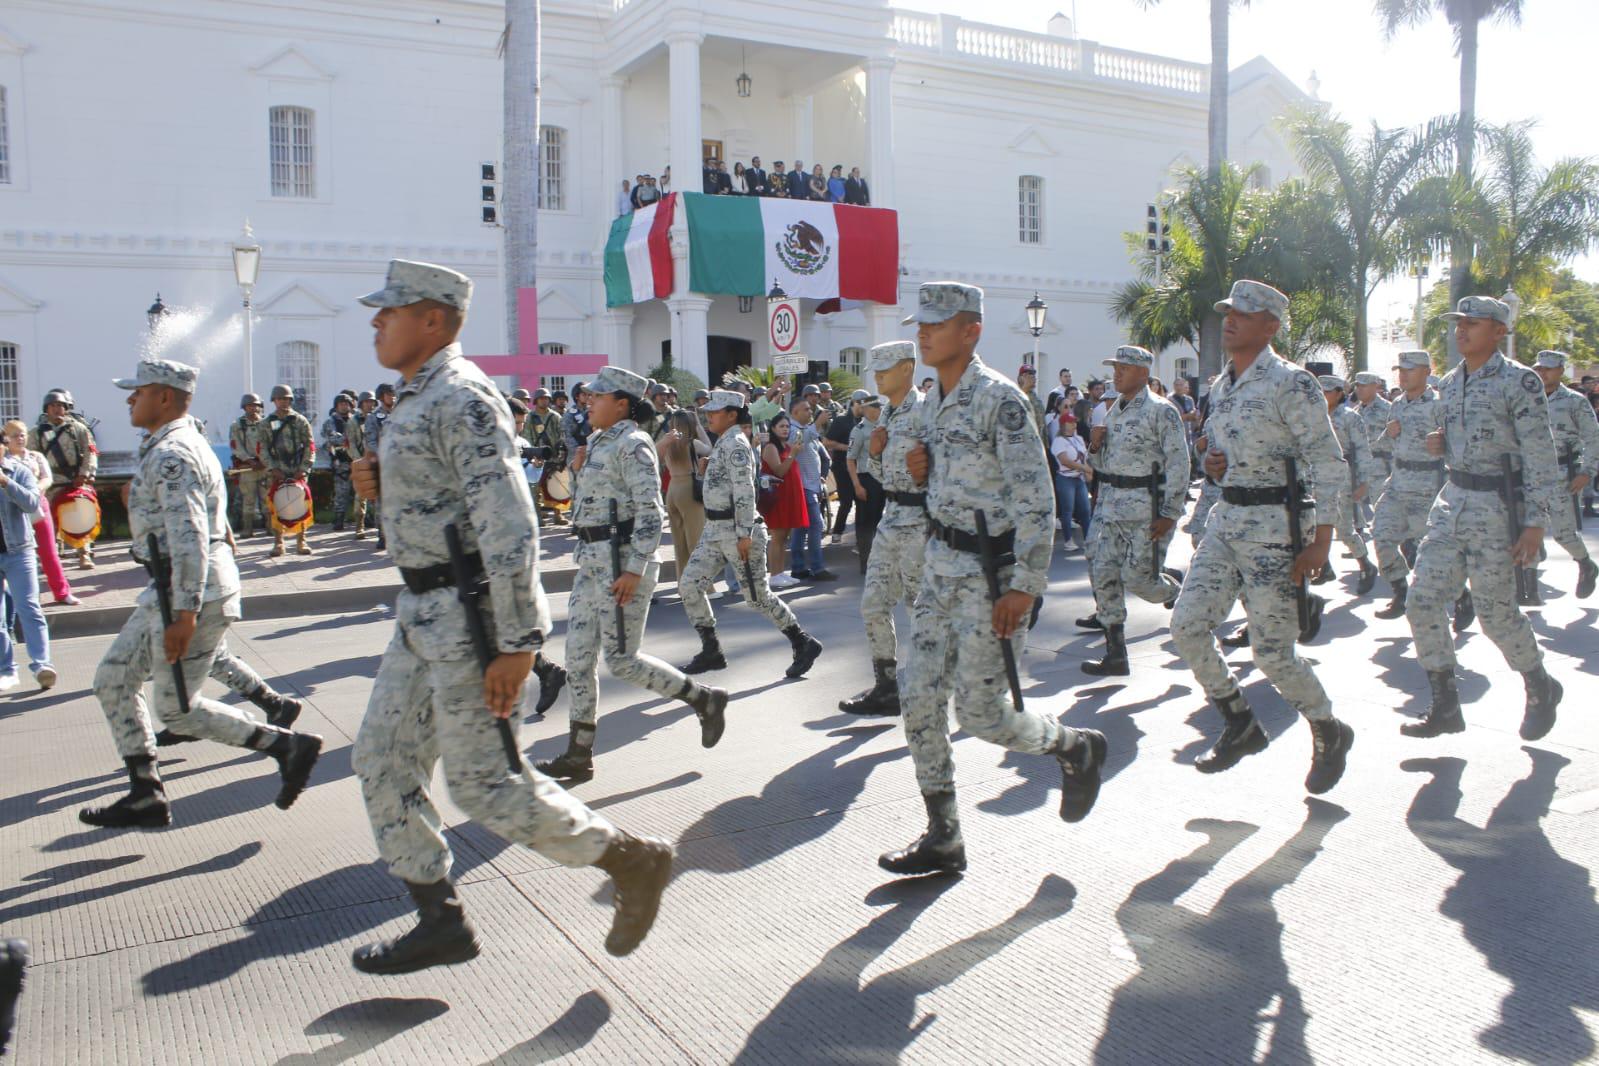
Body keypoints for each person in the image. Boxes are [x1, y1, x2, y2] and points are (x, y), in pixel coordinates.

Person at [346, 260, 672, 973]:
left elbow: (509, 522)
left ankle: (628, 860)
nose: (376, 321)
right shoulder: (415, 397)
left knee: (484, 783)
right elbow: (442, 503)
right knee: (380, 758)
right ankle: (439, 921)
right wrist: (376, 483)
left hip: (470, 617)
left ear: (432, 319)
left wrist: (520, 642)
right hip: (422, 611)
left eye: (389, 311)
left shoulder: (461, 396)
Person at [880, 282, 1107, 876]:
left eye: (938, 323)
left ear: (971, 330)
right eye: (921, 323)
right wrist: (918, 468)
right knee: (919, 699)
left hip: (991, 575)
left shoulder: (999, 400)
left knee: (980, 715)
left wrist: (1025, 586)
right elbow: (947, 485)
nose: (924, 333)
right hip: (939, 569)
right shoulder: (933, 400)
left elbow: (1038, 500)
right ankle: (944, 834)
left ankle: (1073, 746)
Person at [79, 359, 323, 829]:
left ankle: (287, 745)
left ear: (165, 397)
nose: (131, 399)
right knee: (112, 678)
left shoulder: (173, 452)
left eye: (139, 391)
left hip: (188, 590)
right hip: (174, 586)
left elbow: (190, 532)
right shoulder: (176, 445)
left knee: (176, 711)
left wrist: (185, 611)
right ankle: (145, 791)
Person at [1169, 280, 1354, 793]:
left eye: (1243, 314)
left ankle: (1327, 727)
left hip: (1277, 530)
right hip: (1227, 523)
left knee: (1273, 655)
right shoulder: (1222, 384)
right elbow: (1224, 460)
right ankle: (1239, 722)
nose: (1229, 320)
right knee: (1186, 627)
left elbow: (1327, 461)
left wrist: (1322, 540)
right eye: (1227, 311)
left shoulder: (1291, 383)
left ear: (1269, 326)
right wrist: (1213, 463)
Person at [534, 368, 729, 783]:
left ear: (621, 403)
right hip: (591, 562)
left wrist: (635, 570)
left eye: (598, 397)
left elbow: (649, 513)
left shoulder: (634, 443)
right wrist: (576, 468)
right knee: (577, 659)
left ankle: (704, 699)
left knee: (622, 661)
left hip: (623, 564)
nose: (589, 402)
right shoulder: (598, 442)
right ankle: (578, 753)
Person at [1401, 298, 1566, 741]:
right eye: (1458, 323)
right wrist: (1441, 444)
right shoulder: (1450, 383)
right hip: (1452, 501)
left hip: (1497, 508)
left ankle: (1540, 686)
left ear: (1498, 331)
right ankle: (1445, 705)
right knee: (1421, 600)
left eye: (1472, 324)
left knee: (1496, 616)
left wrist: (1535, 524)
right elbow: (1455, 436)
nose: (1461, 331)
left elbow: (1539, 455)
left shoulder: (1520, 381)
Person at [677, 390, 824, 680]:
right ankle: (711, 650)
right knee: (690, 585)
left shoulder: (735, 444)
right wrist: (709, 472)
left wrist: (744, 534)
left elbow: (745, 491)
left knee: (757, 598)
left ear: (732, 415)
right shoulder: (724, 442)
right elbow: (727, 486)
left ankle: (802, 641)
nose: (709, 416)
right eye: (707, 412)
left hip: (738, 531)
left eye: (715, 412)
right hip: (716, 530)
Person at [1077, 346, 1188, 675]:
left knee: (1139, 580)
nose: (1116, 374)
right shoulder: (1115, 411)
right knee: (1103, 573)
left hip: (1145, 509)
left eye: (1123, 368)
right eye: (1115, 368)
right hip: (1110, 505)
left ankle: (1179, 593)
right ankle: (1115, 654)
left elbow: (1180, 464)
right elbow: (1098, 464)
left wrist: (1170, 512)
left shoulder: (1161, 411)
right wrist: (1095, 445)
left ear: (1142, 373)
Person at [840, 341, 925, 716]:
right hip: (892, 519)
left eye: (885, 368)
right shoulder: (886, 415)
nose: (877, 375)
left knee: (920, 609)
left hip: (921, 523)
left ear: (907, 368)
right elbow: (883, 476)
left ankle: (927, 687)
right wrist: (875, 454)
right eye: (875, 370)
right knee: (873, 603)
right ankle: (886, 686)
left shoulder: (927, 413)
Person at [1372, 352, 1444, 620]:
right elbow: (1388, 445)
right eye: (1400, 369)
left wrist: (1443, 444)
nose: (1403, 374)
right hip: (1398, 482)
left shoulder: (1440, 405)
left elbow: (1459, 446)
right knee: (1381, 536)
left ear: (1426, 371)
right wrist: (1388, 434)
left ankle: (1462, 596)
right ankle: (1400, 591)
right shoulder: (1398, 404)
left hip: (1428, 486)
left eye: (1410, 370)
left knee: (1434, 553)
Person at [1531, 350, 1599, 598]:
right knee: (1522, 527)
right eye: (1539, 368)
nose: (1542, 372)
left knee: (1563, 533)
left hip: (1562, 473)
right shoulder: (1526, 399)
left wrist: (1587, 472)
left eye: (1548, 368)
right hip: (1528, 474)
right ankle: (1527, 585)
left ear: (1560, 370)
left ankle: (1585, 564)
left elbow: (1593, 438)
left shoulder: (1575, 401)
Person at [1313, 376, 1378, 595]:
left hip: (1342, 476)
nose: (1323, 395)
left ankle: (1365, 565)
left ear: (1340, 393)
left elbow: (1362, 451)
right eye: (1320, 391)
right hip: (1316, 475)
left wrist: (1364, 482)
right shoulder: (1314, 416)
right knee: (1313, 523)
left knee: (1343, 528)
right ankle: (1324, 566)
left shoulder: (1351, 417)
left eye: (1328, 391)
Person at [0, 441, 54, 692]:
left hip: (19, 550)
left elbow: (33, 503)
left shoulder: (18, 471)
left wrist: (6, 482)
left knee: (29, 608)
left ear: (3, 448)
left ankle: (42, 665)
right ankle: (7, 670)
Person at [3, 422, 77, 606]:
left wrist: (35, 489)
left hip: (37, 505)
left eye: (22, 435)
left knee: (49, 550)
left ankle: (61, 592)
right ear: (6, 440)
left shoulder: (35, 456)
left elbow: (47, 477)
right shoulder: (5, 461)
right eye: (14, 436)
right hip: (12, 512)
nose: (20, 439)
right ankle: (16, 599)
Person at [28, 389, 98, 570]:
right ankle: (51, 555)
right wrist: (37, 479)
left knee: (80, 516)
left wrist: (85, 473)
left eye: (60, 405)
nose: (56, 408)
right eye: (53, 405)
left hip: (75, 479)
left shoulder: (79, 429)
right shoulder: (36, 433)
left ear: (67, 408)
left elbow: (91, 451)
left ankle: (84, 553)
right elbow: (31, 457)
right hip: (49, 481)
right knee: (48, 519)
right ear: (46, 408)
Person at [260, 383, 315, 557]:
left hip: (298, 469)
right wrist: (272, 468)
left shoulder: (300, 421)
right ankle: (278, 543)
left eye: (286, 399)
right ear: (274, 400)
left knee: (301, 504)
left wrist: (304, 468)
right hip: (278, 470)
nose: (283, 402)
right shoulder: (267, 423)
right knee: (276, 506)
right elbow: (262, 449)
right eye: (280, 399)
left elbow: (310, 446)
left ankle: (301, 541)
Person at [659, 409, 710, 589]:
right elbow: (709, 447)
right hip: (688, 488)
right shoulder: (692, 443)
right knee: (696, 539)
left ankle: (683, 584)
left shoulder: (667, 444)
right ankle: (704, 586)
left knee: (679, 542)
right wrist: (698, 425)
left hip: (672, 489)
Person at [787, 396, 834, 581]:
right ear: (795, 413)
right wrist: (817, 424)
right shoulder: (792, 429)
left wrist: (822, 475)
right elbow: (798, 443)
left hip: (811, 486)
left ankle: (798, 567)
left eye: (810, 409)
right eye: (805, 409)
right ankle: (817, 567)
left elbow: (822, 455)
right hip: (803, 486)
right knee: (816, 524)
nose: (810, 411)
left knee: (801, 528)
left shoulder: (806, 429)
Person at [759, 411, 807, 589]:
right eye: (781, 426)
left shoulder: (786, 446)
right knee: (777, 536)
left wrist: (792, 451)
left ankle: (780, 572)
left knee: (784, 536)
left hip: (788, 495)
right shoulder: (771, 447)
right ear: (773, 428)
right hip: (777, 496)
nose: (785, 429)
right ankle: (774, 574)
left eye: (787, 426)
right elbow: (779, 471)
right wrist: (793, 454)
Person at [846, 394, 885, 570]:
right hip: (867, 479)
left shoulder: (885, 425)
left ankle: (879, 559)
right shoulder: (860, 430)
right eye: (875, 408)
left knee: (880, 521)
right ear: (867, 410)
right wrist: (857, 485)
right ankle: (866, 561)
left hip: (883, 479)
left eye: (879, 408)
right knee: (865, 522)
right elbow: (850, 459)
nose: (878, 411)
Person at [229, 393, 269, 538]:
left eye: (256, 406)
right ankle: (247, 529)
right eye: (250, 406)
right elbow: (236, 446)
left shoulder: (266, 424)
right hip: (247, 467)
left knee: (267, 498)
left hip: (264, 466)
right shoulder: (237, 425)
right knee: (249, 499)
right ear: (244, 407)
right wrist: (250, 460)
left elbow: (270, 444)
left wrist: (264, 460)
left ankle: (270, 527)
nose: (253, 408)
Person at [1051, 412, 1092, 552]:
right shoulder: (1058, 441)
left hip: (1078, 478)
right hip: (1065, 478)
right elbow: (1065, 461)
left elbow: (1084, 456)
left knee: (1086, 510)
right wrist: (1084, 468)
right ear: (1063, 425)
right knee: (1067, 510)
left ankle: (1088, 540)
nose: (1074, 424)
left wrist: (1087, 472)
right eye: (1070, 422)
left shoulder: (1079, 438)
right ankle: (1068, 540)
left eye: (1074, 422)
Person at [321, 392, 358, 534]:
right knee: (341, 493)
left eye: (347, 403)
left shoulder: (355, 419)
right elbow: (333, 438)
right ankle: (339, 519)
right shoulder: (331, 421)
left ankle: (364, 519)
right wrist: (349, 439)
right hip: (341, 461)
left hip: (356, 460)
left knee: (361, 493)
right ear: (336, 406)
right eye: (341, 404)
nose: (344, 406)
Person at [367, 383, 396, 550]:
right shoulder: (373, 417)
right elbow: (371, 441)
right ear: (380, 397)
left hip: (401, 463)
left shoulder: (401, 413)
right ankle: (383, 535)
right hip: (383, 463)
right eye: (388, 394)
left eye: (393, 394)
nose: (391, 397)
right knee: (382, 500)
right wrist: (382, 455)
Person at [349, 391, 379, 538]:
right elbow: (351, 443)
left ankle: (380, 528)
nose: (370, 404)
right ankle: (359, 527)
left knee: (379, 495)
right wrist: (360, 460)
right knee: (360, 496)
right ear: (361, 404)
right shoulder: (353, 421)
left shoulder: (379, 418)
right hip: (362, 461)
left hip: (377, 460)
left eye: (372, 402)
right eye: (366, 402)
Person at [1016, 366, 1046, 438]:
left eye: (1034, 375)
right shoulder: (1016, 397)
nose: (1034, 378)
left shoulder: (1035, 398)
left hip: (1039, 440)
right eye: (1030, 374)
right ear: (1022, 377)